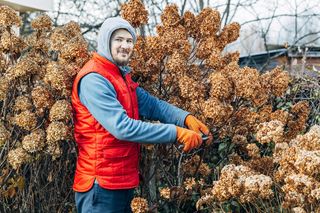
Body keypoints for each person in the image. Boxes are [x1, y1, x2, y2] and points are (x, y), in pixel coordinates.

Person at [71, 17, 212, 213]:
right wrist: (176, 132)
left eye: (129, 41)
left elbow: (153, 105)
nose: (125, 46)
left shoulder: (120, 77)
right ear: (106, 41)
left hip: (120, 181)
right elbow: (122, 128)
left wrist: (185, 118)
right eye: (118, 39)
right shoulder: (94, 79)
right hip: (100, 185)